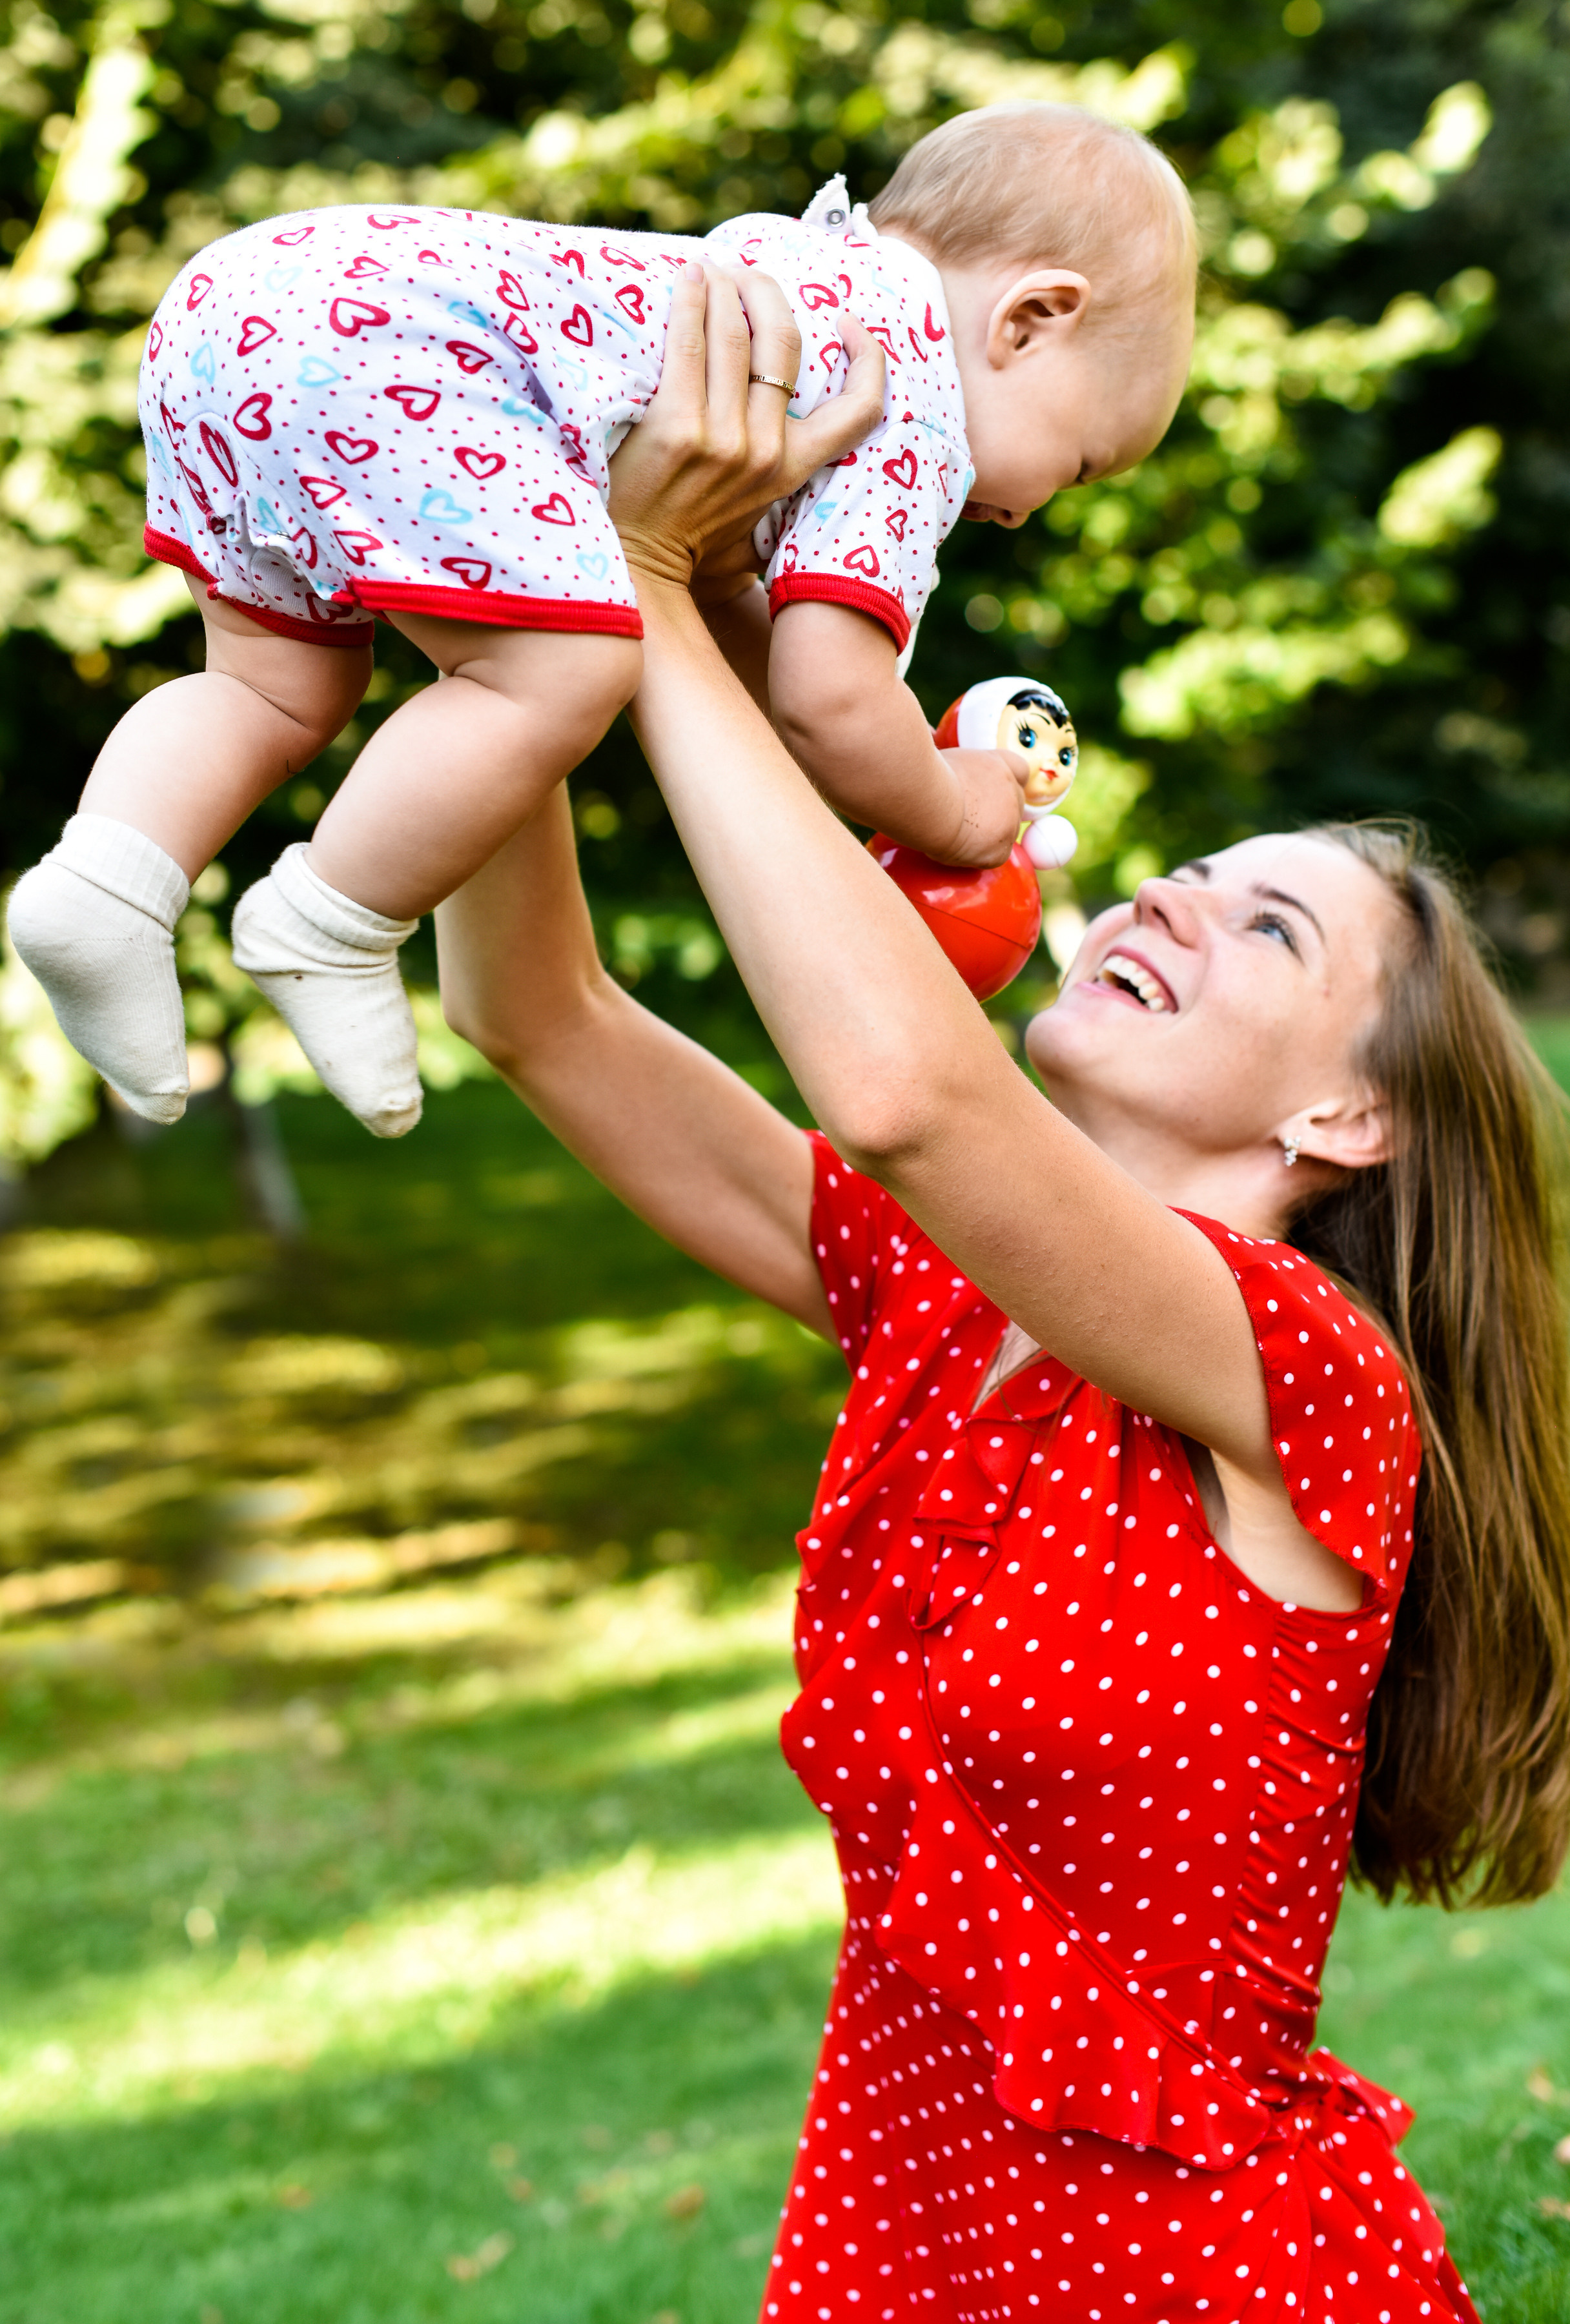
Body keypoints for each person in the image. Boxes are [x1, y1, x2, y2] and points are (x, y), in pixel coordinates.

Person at [436, 265, 1570, 2323]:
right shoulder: (950, 1312)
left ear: (1349, 1114)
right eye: (1187, 869)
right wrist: (501, 587)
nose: (1161, 896)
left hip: (1196, 2273)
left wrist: (659, 586)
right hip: (899, 2235)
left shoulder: (1315, 1381)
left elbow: (907, 1096)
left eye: (1262, 924)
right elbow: (538, 1011)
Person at [8, 102, 1194, 1141]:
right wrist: (955, 806)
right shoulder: (908, 398)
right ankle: (333, 920)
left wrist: (840, 764)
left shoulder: (804, 279)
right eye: (1083, 463)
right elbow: (832, 696)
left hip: (249, 302)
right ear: (1032, 319)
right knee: (563, 671)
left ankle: (106, 884)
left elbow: (744, 619)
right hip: (395, 353)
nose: (1035, 509)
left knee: (274, 687)